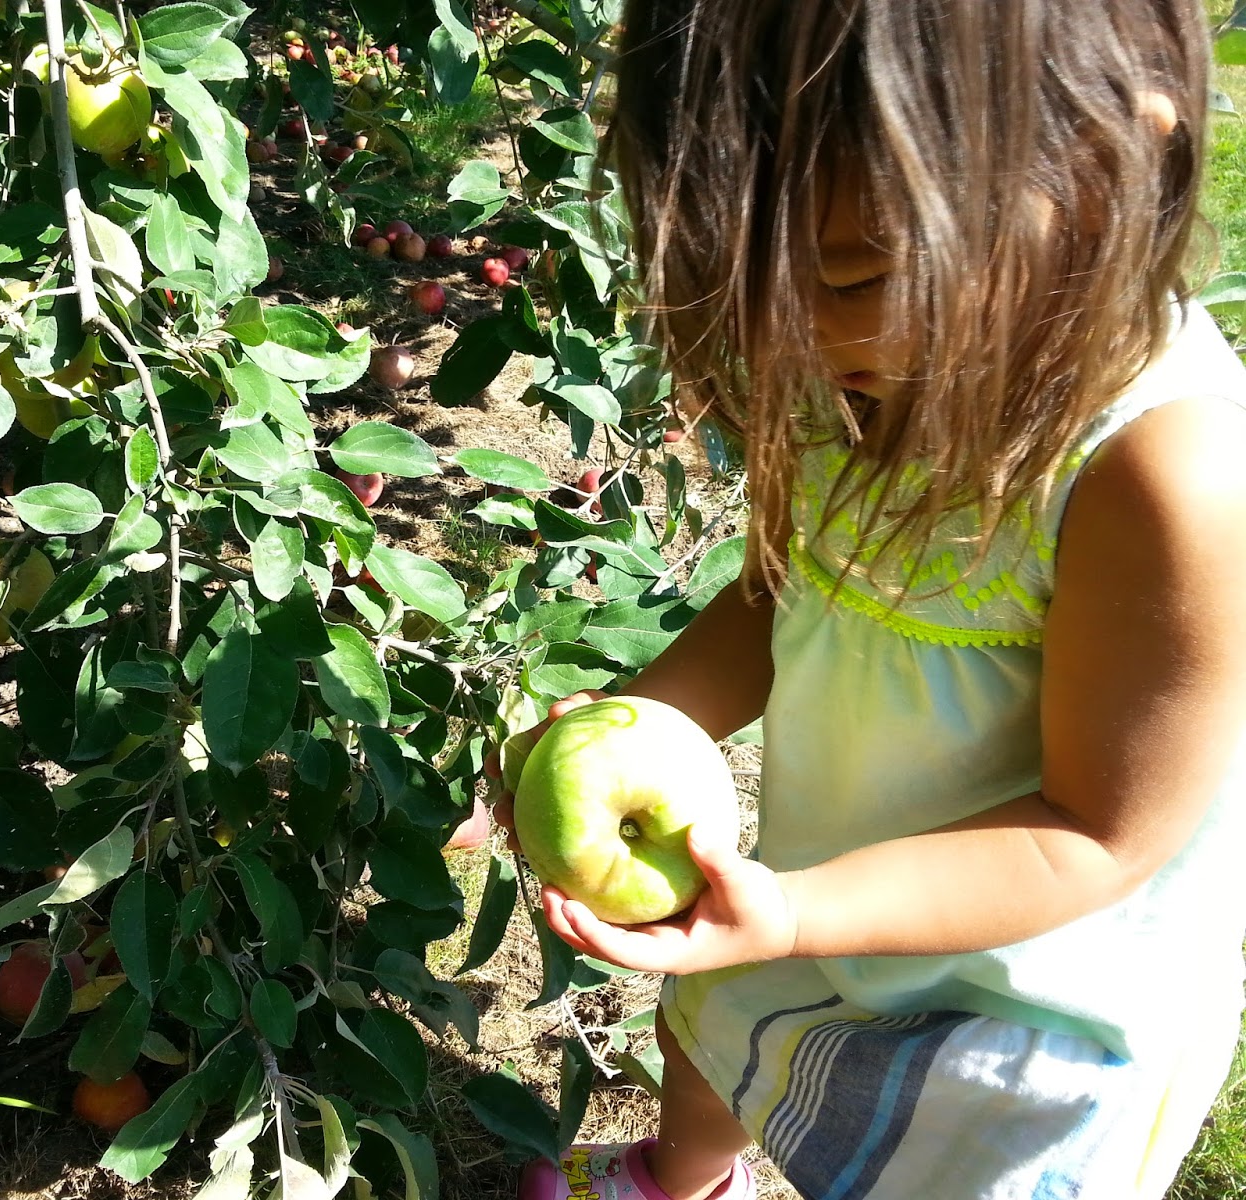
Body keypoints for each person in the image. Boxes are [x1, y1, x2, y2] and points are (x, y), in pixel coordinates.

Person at [491, 1, 1246, 1198]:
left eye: (851, 272)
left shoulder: (1157, 479)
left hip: (1026, 998)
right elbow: (784, 592)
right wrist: (632, 723)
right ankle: (679, 1180)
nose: (778, 324)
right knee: (710, 1031)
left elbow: (1098, 834)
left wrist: (796, 916)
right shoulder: (877, 358)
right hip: (821, 885)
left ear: (1114, 154)